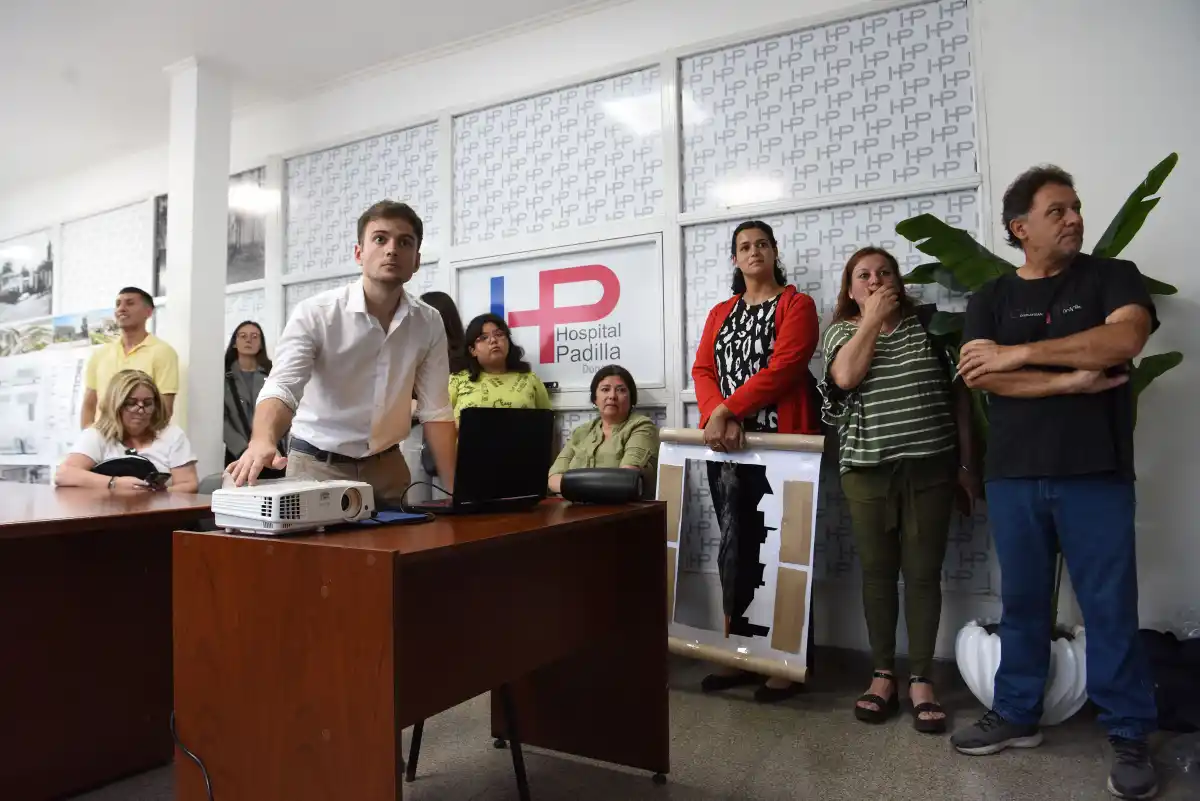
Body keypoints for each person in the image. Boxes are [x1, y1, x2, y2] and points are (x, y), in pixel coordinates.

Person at [950, 166, 1159, 800]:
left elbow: (1123, 339)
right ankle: (1017, 713)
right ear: (1021, 228)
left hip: (1095, 471)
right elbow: (980, 376)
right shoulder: (991, 297)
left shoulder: (1111, 276)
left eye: (1075, 207)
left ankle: (1128, 731)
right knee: (1022, 604)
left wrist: (1018, 353)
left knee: (1109, 606)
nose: (1074, 218)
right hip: (1014, 473)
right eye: (1057, 210)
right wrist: (1070, 380)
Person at [821, 246, 980, 734]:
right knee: (877, 575)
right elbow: (846, 377)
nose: (874, 280)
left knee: (923, 575)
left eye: (884, 273)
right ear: (851, 290)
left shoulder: (931, 327)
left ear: (899, 282)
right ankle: (883, 674)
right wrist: (871, 320)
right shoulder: (841, 333)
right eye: (863, 275)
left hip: (930, 470)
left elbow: (960, 399)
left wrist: (967, 466)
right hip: (866, 471)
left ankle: (922, 680)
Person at [228, 200, 457, 507]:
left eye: (404, 242)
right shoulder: (316, 313)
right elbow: (282, 387)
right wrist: (262, 439)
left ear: (416, 260)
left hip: (388, 468)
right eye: (380, 239)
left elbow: (436, 411)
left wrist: (456, 491)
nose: (392, 250)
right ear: (359, 253)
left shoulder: (428, 321)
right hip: (316, 468)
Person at [691, 219, 822, 703]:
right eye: (744, 246)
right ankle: (741, 652)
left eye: (762, 244)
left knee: (785, 551)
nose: (754, 252)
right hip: (729, 447)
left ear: (774, 252)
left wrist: (727, 409)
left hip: (784, 447)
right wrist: (716, 414)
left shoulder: (796, 305)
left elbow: (786, 367)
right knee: (736, 547)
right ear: (735, 258)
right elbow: (703, 369)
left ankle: (786, 659)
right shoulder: (720, 312)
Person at [56, 369, 198, 493]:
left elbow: (189, 484)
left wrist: (153, 494)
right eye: (131, 403)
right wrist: (114, 483)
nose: (140, 410)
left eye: (148, 403)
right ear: (115, 405)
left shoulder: (172, 435)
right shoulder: (97, 435)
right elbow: (64, 475)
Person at [548, 365, 659, 495]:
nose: (612, 396)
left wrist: (575, 487)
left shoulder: (642, 426)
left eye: (621, 390)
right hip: (574, 505)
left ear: (631, 398)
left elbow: (626, 478)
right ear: (595, 399)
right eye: (605, 389)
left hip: (620, 506)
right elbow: (554, 477)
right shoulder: (582, 431)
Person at [81, 287, 179, 428]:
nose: (121, 309)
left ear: (148, 312)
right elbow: (89, 404)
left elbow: (165, 409)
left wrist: (139, 440)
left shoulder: (163, 352)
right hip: (102, 437)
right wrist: (88, 437)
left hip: (141, 439)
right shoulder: (100, 354)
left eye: (130, 303)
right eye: (118, 304)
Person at [449, 313, 552, 422]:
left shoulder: (530, 380)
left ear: (508, 341)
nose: (493, 340)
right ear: (472, 350)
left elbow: (547, 424)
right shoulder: (457, 381)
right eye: (483, 338)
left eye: (499, 334)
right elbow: (442, 424)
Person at [223, 321, 285, 479]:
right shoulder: (224, 376)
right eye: (243, 336)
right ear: (234, 343)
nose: (248, 340)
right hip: (238, 453)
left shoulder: (272, 374)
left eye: (254, 336)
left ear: (261, 343)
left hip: (271, 453)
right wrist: (243, 449)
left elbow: (282, 409)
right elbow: (222, 419)